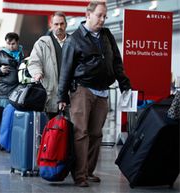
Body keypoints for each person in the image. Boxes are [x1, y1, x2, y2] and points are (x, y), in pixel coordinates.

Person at [58, 1, 131, 187]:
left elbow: (116, 61)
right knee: (81, 133)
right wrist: (61, 97)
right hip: (82, 90)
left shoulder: (107, 35)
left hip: (103, 91)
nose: (103, 19)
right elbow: (65, 70)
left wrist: (124, 84)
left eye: (105, 16)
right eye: (99, 15)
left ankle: (88, 171)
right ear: (88, 14)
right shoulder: (74, 39)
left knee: (96, 134)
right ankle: (79, 175)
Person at [28, 12, 68, 119]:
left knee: (70, 130)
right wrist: (37, 72)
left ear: (66, 24)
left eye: (62, 24)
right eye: (56, 24)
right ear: (51, 25)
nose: (59, 27)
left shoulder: (73, 42)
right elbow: (34, 62)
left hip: (70, 94)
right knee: (51, 130)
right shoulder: (42, 43)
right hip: (50, 93)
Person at [0, 32, 24, 108]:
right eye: (8, 44)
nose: (10, 46)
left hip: (18, 90)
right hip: (5, 92)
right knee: (5, 115)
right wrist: (0, 70)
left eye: (13, 44)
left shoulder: (21, 53)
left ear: (17, 42)